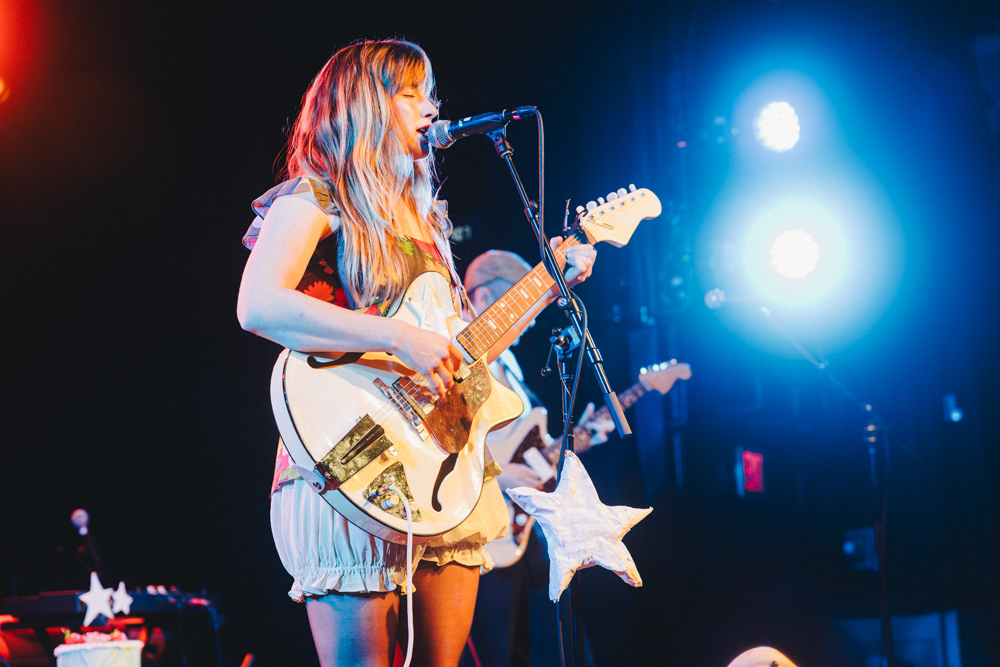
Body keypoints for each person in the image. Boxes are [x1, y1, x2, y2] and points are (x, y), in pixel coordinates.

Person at [236, 40, 597, 667]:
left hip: (439, 461)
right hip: (349, 453)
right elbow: (258, 307)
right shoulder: (316, 197)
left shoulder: (427, 221)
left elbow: (462, 352)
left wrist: (547, 284)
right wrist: (396, 336)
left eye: (430, 92)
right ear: (364, 105)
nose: (431, 107)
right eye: (411, 93)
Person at [462, 250, 614, 667]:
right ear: (486, 297)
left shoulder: (508, 362)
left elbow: (527, 449)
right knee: (491, 651)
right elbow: (446, 440)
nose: (530, 316)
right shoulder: (468, 356)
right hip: (483, 528)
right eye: (523, 301)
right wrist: (496, 476)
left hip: (525, 529)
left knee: (561, 645)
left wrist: (580, 438)